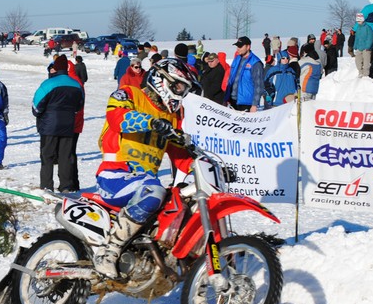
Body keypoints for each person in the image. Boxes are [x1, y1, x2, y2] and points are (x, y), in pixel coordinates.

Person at [93, 58, 201, 278]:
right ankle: (109, 251)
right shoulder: (129, 94)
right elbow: (117, 118)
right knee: (155, 191)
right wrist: (151, 123)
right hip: (115, 174)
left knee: (184, 202)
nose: (181, 94)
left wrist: (205, 166)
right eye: (179, 87)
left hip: (143, 183)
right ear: (163, 80)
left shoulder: (171, 117)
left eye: (184, 90)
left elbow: (180, 157)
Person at [32, 55, 84, 192]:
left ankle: (47, 185)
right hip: (68, 125)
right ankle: (66, 186)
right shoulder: (76, 84)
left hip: (49, 126)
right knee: (65, 157)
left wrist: (40, 114)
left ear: (55, 68)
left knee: (47, 156)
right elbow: (79, 106)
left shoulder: (48, 84)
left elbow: (36, 106)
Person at [224, 36, 264, 112]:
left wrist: (254, 105)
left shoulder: (255, 63)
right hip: (233, 100)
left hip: (246, 102)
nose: (238, 49)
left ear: (248, 47)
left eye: (240, 46)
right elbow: (231, 79)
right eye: (237, 46)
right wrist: (226, 98)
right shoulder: (237, 59)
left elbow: (258, 85)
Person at [352, 13, 373, 78]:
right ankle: (360, 72)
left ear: (362, 20)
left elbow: (370, 37)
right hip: (359, 47)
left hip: (366, 48)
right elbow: (357, 38)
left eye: (359, 20)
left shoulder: (367, 28)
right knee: (358, 62)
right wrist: (355, 46)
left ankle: (366, 75)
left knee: (366, 63)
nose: (358, 22)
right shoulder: (358, 28)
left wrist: (368, 46)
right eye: (357, 20)